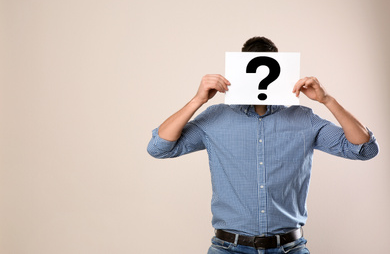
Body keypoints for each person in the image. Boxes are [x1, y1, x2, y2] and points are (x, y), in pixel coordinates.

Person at [147, 36, 379, 254]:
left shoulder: (303, 119)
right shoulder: (216, 118)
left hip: (289, 247)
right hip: (229, 247)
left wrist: (327, 99)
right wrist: (197, 100)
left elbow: (364, 149)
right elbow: (159, 147)